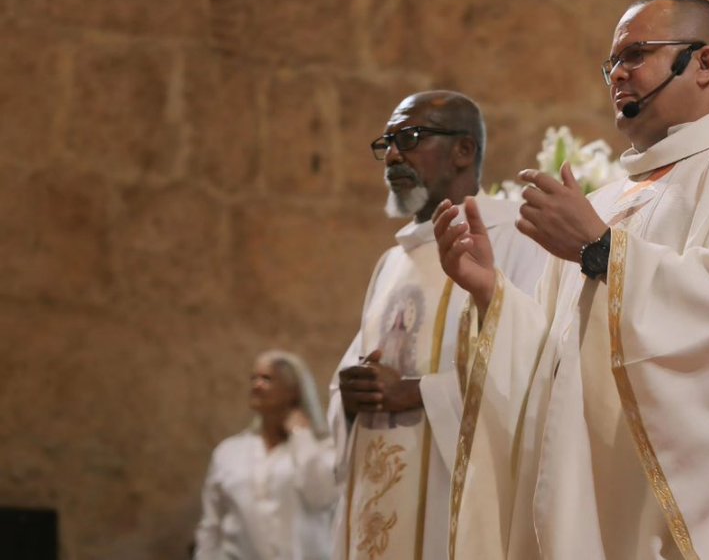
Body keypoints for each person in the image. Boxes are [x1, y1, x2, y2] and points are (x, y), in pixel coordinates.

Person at [434, 0, 709, 559]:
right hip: (601, 517)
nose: (618, 73)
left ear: (706, 64)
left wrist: (599, 250)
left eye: (637, 54)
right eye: (611, 62)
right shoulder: (607, 200)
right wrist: (492, 294)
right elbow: (555, 357)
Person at [328, 91, 546, 560]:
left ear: (464, 151)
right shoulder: (392, 263)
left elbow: (539, 364)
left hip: (456, 509)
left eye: (409, 137)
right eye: (386, 142)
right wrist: (348, 397)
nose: (392, 155)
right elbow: (348, 378)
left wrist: (419, 392)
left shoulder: (515, 238)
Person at [195, 350, 337, 560]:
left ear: (293, 391)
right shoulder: (229, 452)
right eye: (254, 378)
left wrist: (301, 435)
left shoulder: (322, 447)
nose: (256, 385)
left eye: (267, 379)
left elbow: (320, 497)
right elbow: (211, 524)